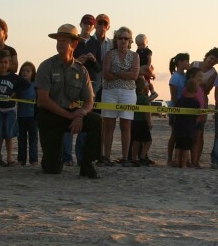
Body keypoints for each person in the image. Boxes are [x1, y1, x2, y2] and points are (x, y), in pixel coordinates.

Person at [36, 24, 101, 178]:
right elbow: (43, 100)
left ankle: (87, 164)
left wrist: (81, 114)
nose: (60, 44)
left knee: (96, 120)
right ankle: (50, 160)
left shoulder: (81, 70)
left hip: (72, 114)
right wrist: (69, 116)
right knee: (52, 169)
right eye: (58, 40)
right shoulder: (46, 66)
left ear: (74, 44)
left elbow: (89, 99)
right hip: (50, 115)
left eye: (64, 41)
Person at [100, 27, 140, 165]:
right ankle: (106, 157)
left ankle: (125, 157)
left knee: (126, 125)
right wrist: (125, 73)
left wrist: (116, 72)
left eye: (126, 38)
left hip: (128, 92)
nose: (123, 41)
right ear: (116, 40)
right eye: (120, 38)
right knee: (108, 125)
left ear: (130, 41)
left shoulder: (135, 56)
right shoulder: (109, 54)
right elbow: (106, 75)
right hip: (110, 91)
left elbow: (134, 75)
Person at [16, 62, 39, 166]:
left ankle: (33, 159)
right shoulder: (18, 85)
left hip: (33, 117)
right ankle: (21, 159)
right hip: (20, 116)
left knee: (33, 139)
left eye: (28, 71)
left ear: (32, 73)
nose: (25, 73)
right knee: (21, 139)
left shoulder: (35, 85)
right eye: (23, 71)